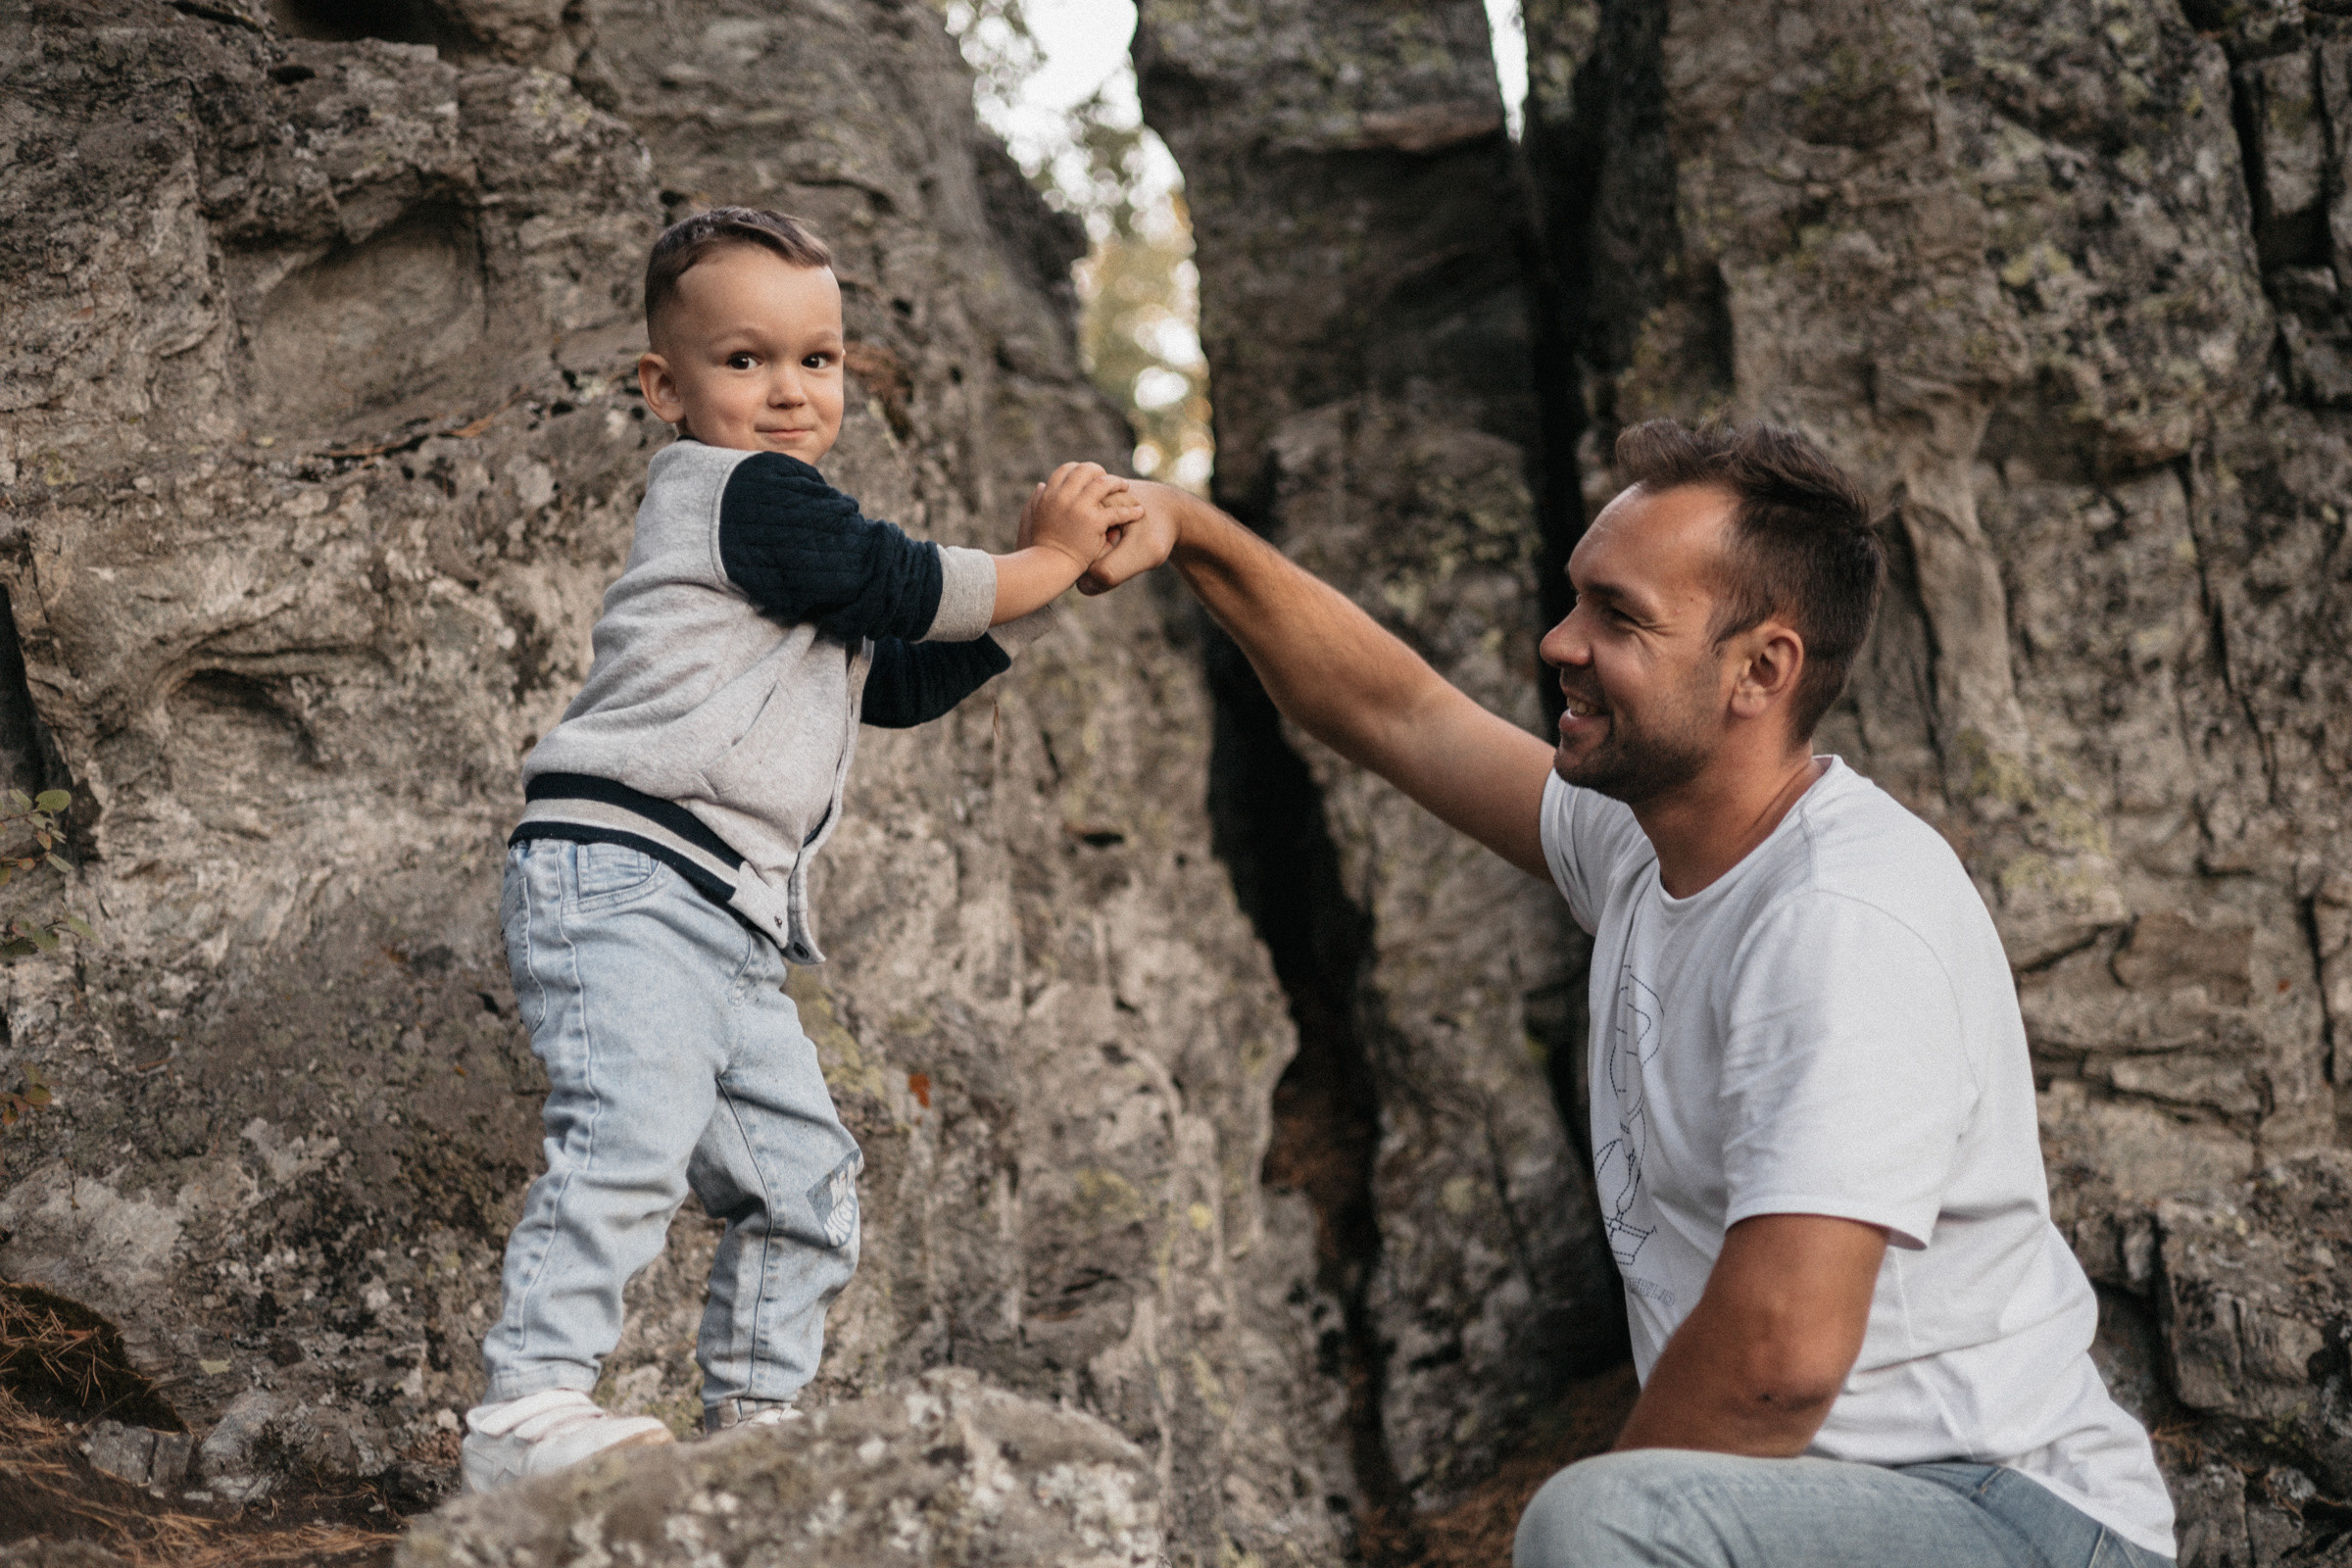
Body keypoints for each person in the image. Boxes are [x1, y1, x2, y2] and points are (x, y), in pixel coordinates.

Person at [1086, 420, 2177, 1566]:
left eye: (1620, 616)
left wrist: (1612, 1526)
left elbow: (1779, 1364)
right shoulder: (1645, 848)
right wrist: (1190, 528)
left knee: (1599, 1521)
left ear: (1763, 670)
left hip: (2011, 1516)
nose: (1560, 641)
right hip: (1818, 1510)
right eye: (1577, 599)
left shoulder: (1839, 920)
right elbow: (1396, 712)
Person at [460, 207, 1142, 1493]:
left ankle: (757, 1427)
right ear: (665, 387)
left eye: (817, 360)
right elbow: (901, 585)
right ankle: (524, 1411)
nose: (788, 391)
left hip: (724, 917)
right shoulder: (743, 495)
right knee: (631, 1130)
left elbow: (893, 675)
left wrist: (1040, 596)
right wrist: (1044, 555)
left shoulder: (792, 556)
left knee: (804, 1175)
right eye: (745, 359)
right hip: (628, 874)